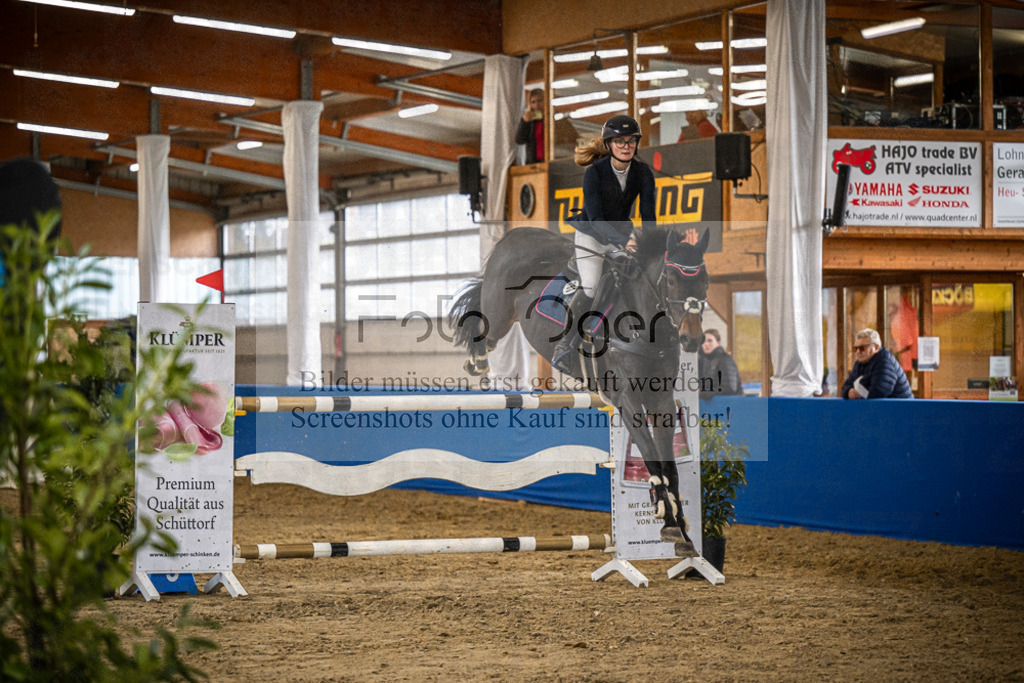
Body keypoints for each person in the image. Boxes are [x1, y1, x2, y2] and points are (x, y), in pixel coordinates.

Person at [551, 114, 656, 375]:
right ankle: (565, 344)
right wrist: (626, 241)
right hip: (592, 235)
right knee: (592, 286)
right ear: (609, 145)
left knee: (639, 278)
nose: (626, 146)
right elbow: (596, 219)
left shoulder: (643, 172)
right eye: (619, 141)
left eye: (631, 141)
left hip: (623, 235)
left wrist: (650, 245)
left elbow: (649, 215)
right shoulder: (594, 173)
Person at [840, 328, 913, 399]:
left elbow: (879, 392)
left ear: (876, 347)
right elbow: (846, 386)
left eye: (862, 348)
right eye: (856, 348)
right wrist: (849, 392)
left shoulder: (885, 361)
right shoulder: (859, 363)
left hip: (902, 409)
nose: (858, 352)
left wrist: (858, 390)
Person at [698, 329, 744, 400]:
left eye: (710, 340)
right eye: (703, 341)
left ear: (718, 343)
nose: (706, 344)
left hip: (729, 406)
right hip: (713, 407)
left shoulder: (726, 360)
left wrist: (702, 393)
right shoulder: (705, 362)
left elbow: (729, 388)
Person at [515, 88, 546, 164]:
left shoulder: (552, 118)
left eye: (539, 101)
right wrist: (524, 122)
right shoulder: (530, 122)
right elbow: (519, 140)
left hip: (551, 158)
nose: (537, 104)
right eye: (533, 102)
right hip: (534, 162)